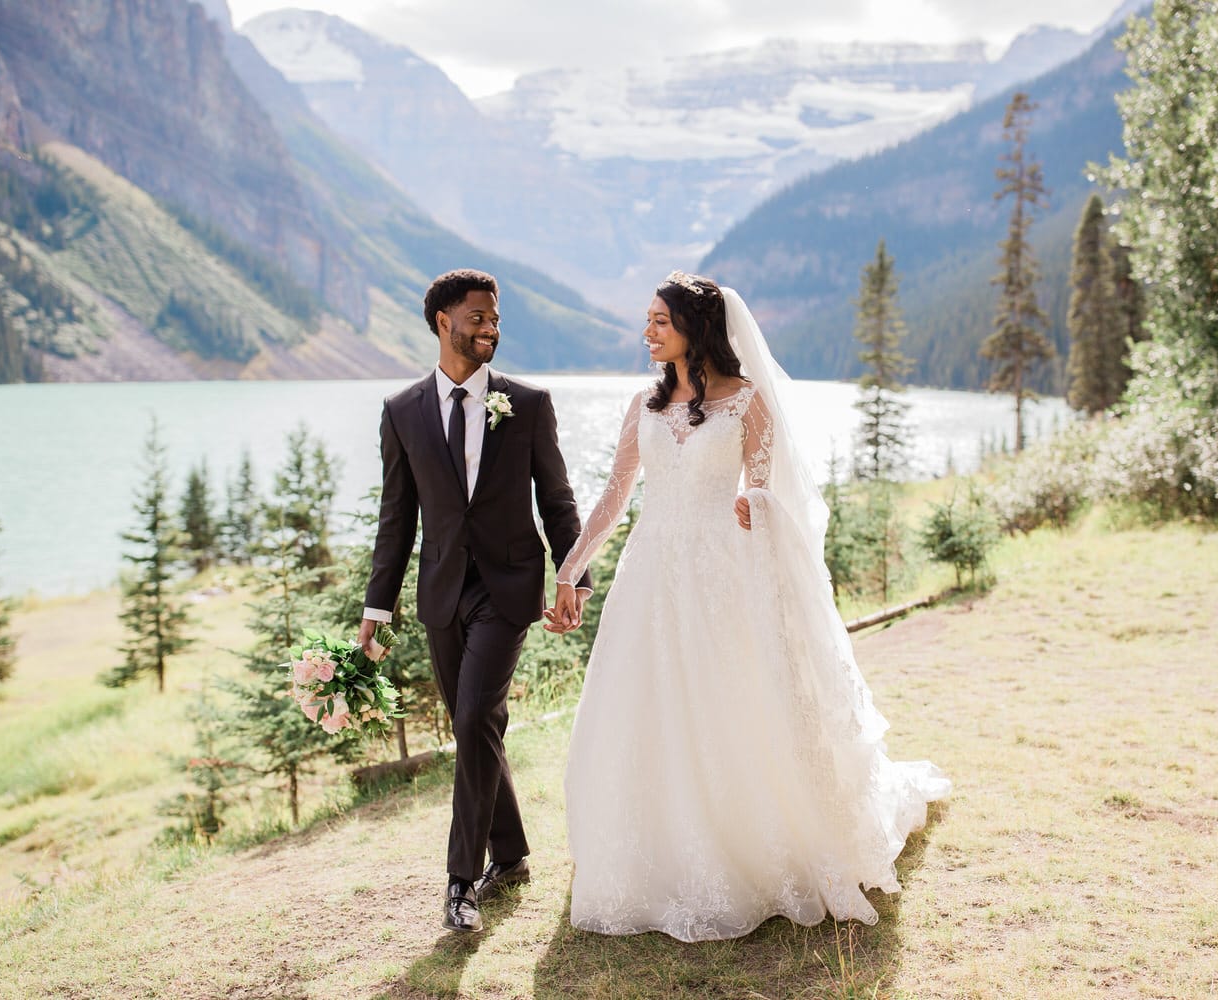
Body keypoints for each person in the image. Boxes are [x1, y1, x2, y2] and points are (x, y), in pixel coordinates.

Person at [546, 271, 951, 942]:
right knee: (644, 707)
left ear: (695, 329)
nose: (646, 331)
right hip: (649, 578)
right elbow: (615, 499)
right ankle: (655, 850)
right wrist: (569, 571)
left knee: (725, 706)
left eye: (659, 322)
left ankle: (743, 845)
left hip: (717, 577)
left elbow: (764, 494)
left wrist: (754, 503)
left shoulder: (746, 402)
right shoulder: (642, 408)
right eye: (646, 320)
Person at [359, 268, 592, 934]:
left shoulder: (528, 403)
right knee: (477, 728)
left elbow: (558, 501)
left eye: (496, 318)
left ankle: (461, 883)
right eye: (478, 317)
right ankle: (512, 855)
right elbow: (396, 518)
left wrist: (571, 576)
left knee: (473, 718)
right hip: (440, 594)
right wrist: (377, 610)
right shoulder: (402, 411)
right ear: (443, 321)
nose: (490, 327)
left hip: (509, 589)